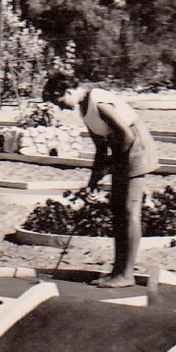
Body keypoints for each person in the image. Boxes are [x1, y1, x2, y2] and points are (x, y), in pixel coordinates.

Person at [43, 71, 159, 288]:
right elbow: (100, 150)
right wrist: (93, 181)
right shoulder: (84, 109)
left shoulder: (100, 102)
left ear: (68, 91)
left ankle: (126, 274)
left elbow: (127, 136)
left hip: (136, 151)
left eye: (59, 101)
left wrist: (112, 165)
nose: (60, 107)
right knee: (117, 210)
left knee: (128, 210)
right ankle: (118, 271)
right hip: (122, 152)